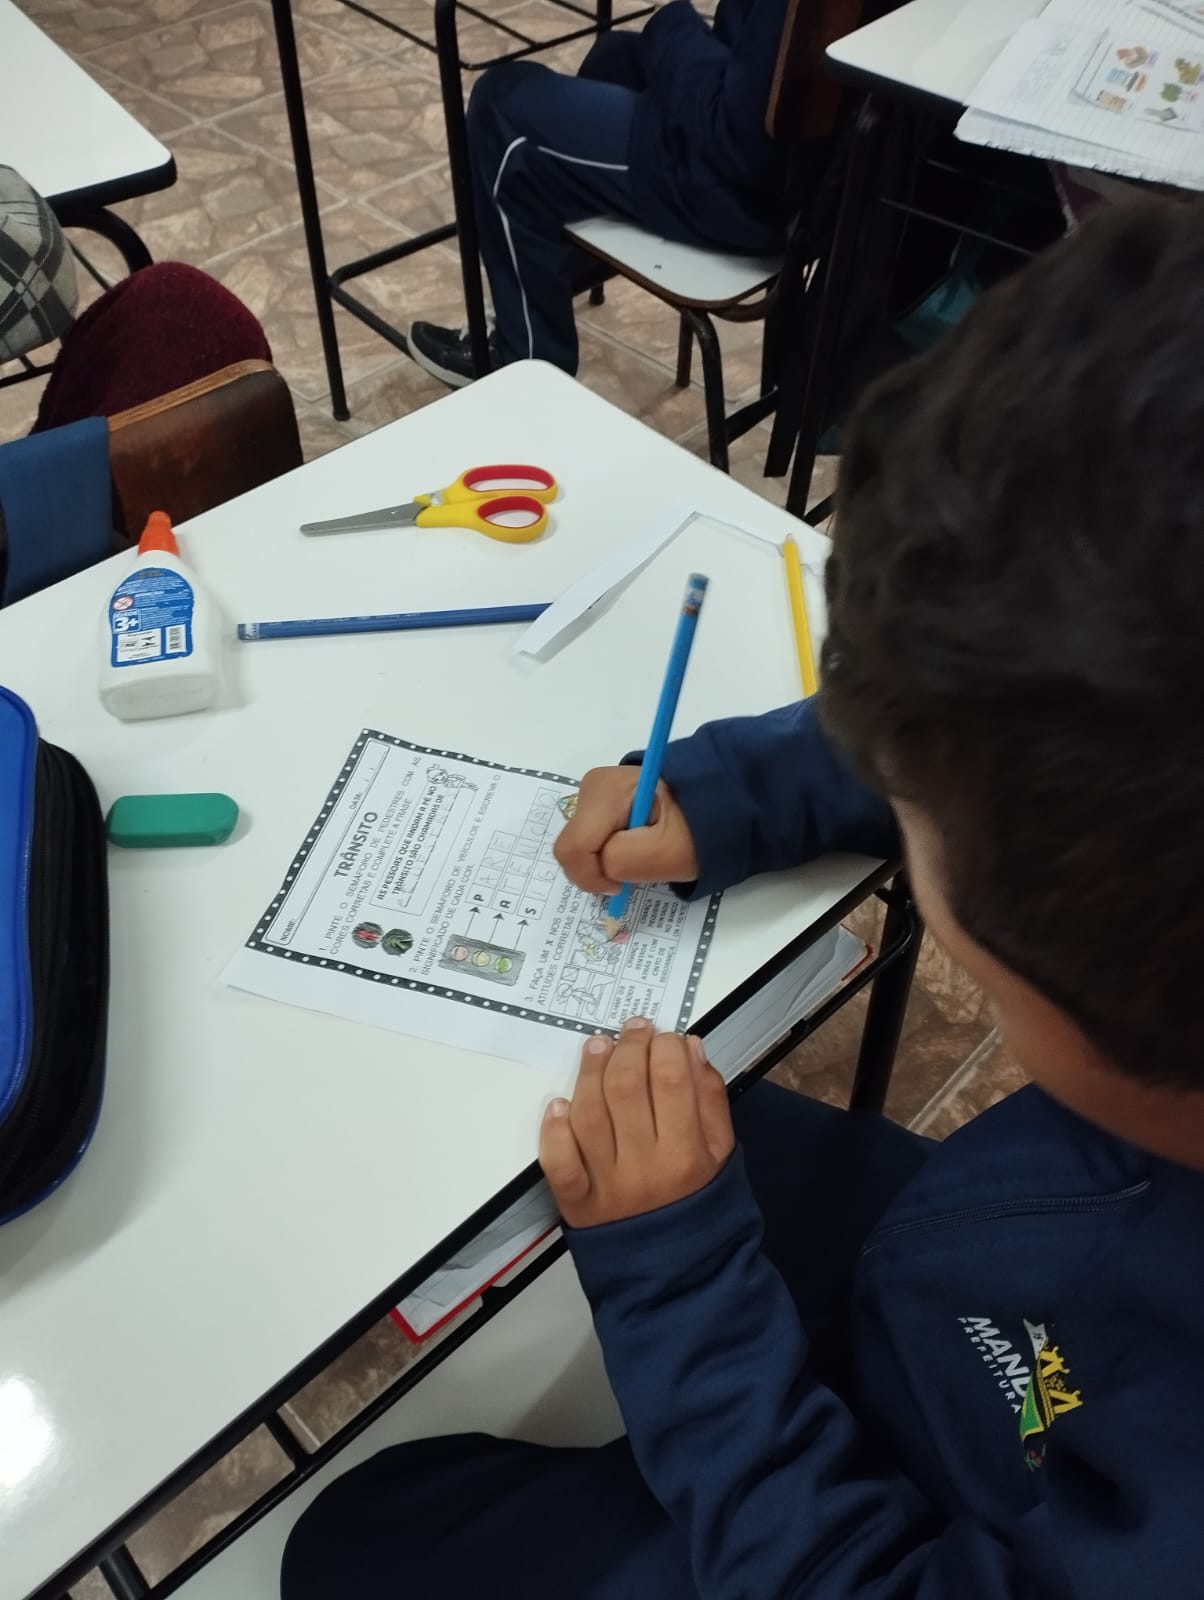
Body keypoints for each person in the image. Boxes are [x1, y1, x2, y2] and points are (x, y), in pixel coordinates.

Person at [282, 194, 1204, 1597]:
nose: (892, 798)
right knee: (553, 1139)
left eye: (912, 811)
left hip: (923, 1514)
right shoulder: (1148, 872)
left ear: (1082, 973)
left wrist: (681, 1287)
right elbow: (1044, 712)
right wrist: (730, 793)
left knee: (352, 1547)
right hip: (978, 1278)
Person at [407, 0, 810, 387]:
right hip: (798, 175)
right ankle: (537, 289)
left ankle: (525, 365)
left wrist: (671, 17)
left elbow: (742, 142)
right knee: (615, 57)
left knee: (500, 109)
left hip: (741, 192)